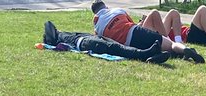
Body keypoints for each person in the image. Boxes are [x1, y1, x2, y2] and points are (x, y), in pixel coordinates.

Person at [91, 1, 205, 64]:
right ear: (106, 7)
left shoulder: (97, 27)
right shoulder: (117, 11)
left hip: (128, 46)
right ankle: (184, 49)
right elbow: (133, 26)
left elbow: (102, 40)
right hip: (135, 32)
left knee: (152, 48)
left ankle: (165, 52)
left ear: (95, 13)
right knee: (170, 44)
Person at [42, 20, 170, 64]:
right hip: (86, 42)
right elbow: (48, 25)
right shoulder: (57, 38)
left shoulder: (63, 35)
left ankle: (149, 56)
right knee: (115, 48)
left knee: (117, 46)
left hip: (91, 39)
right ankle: (145, 54)